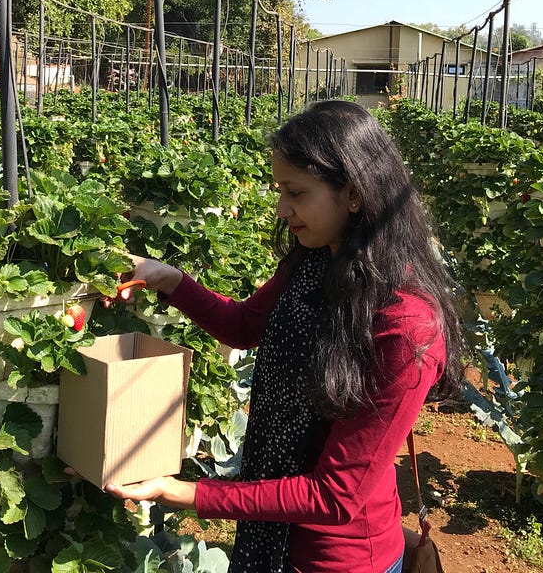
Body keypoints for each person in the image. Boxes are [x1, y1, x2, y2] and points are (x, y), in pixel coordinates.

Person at [105, 100, 467, 573]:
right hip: (268, 526)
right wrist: (168, 279)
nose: (282, 209)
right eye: (280, 191)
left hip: (334, 558)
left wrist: (185, 493)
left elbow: (337, 496)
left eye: (295, 193)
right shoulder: (317, 259)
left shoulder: (405, 326)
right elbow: (243, 326)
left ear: (354, 194)